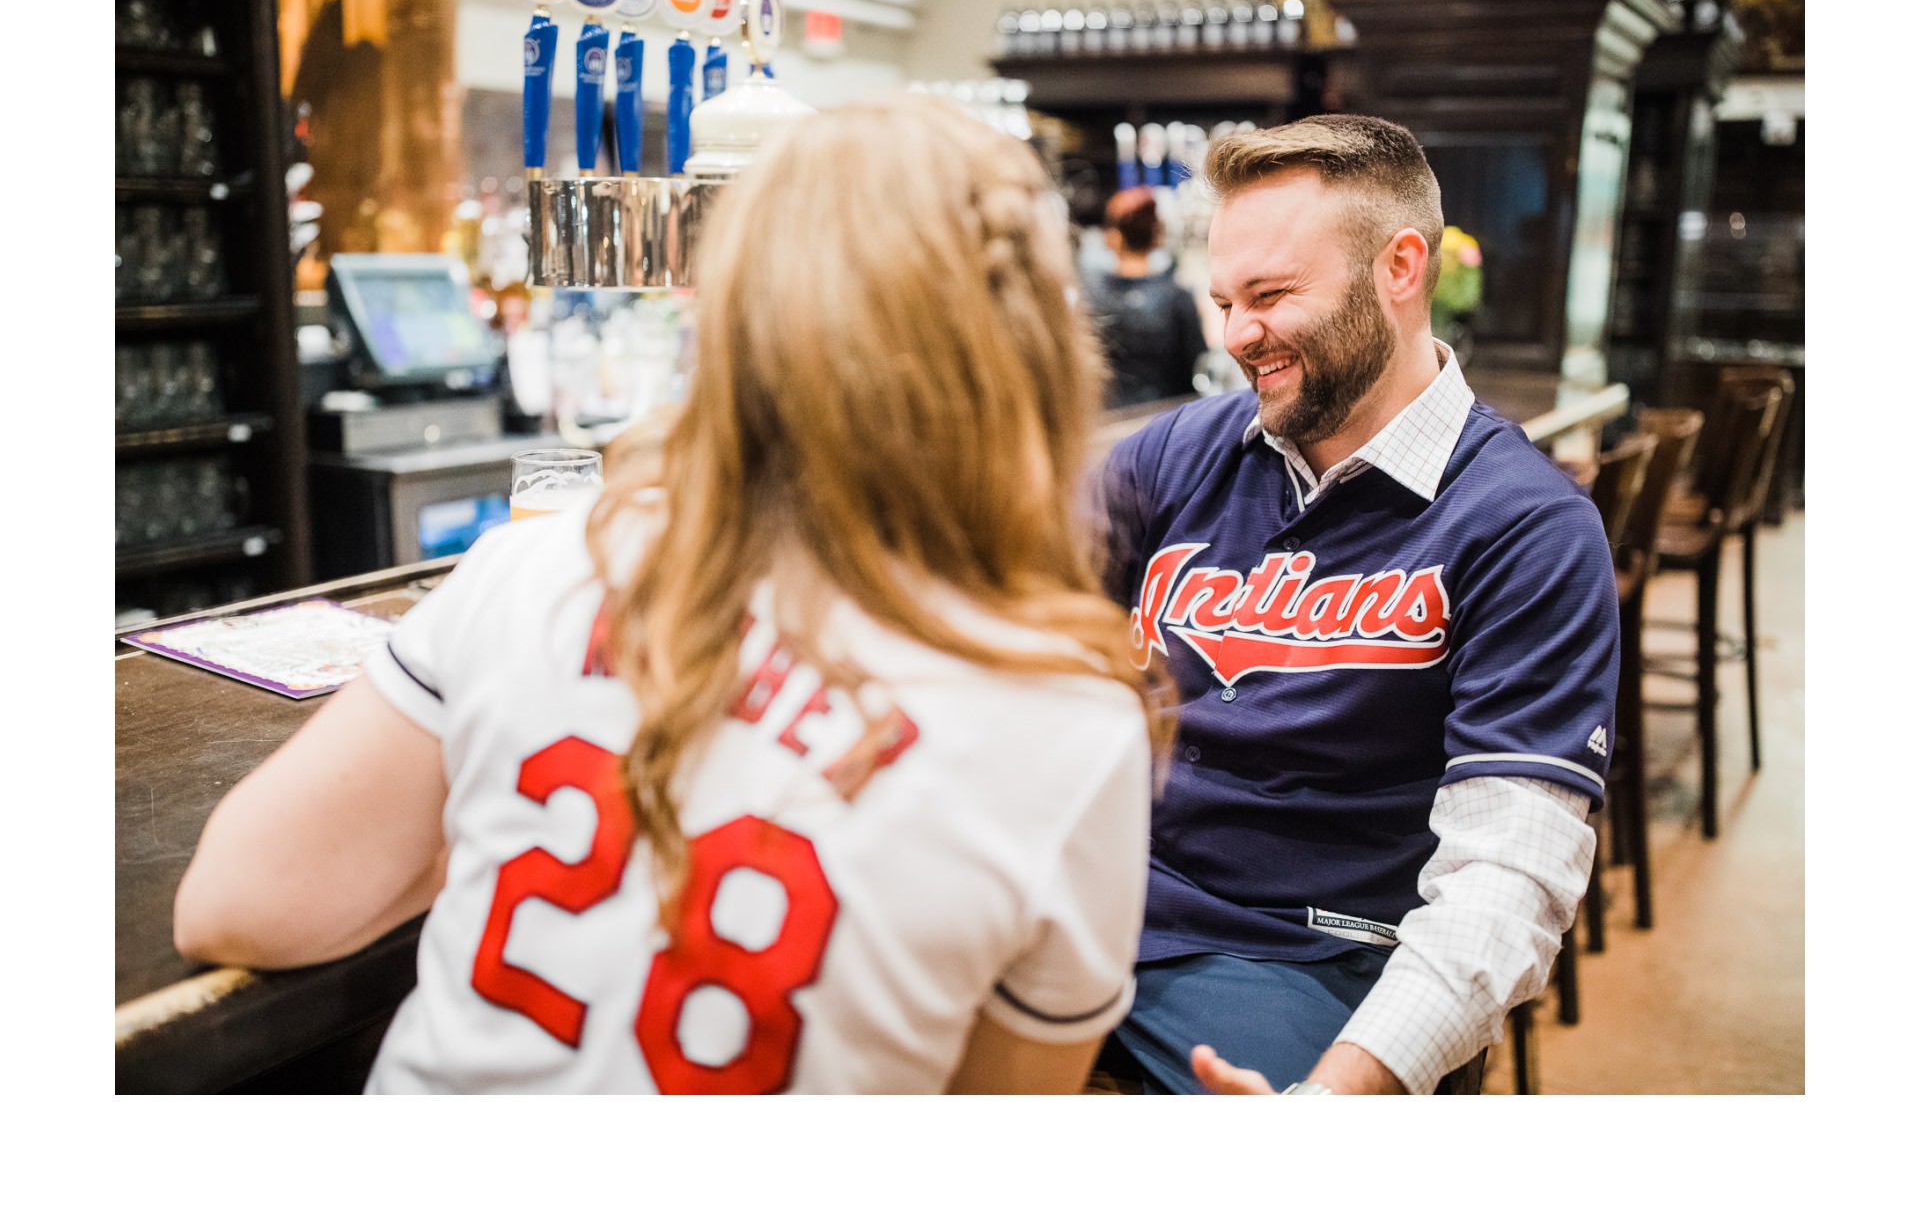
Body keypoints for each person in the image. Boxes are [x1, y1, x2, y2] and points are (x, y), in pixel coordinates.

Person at [172, 94, 1170, 1094]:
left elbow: (238, 903)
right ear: (1039, 348)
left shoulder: (550, 561)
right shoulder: (1072, 725)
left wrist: (466, 833)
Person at [1096, 114, 1617, 1095]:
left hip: (1314, 959)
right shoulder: (1176, 457)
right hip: (1091, 903)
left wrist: (1336, 1100)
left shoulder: (1525, 527)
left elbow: (1512, 870)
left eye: (1272, 296)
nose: (1238, 336)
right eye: (1224, 301)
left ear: (1401, 267)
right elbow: (1007, 628)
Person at [1080, 187, 1209, 410]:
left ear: (1112, 237)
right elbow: (1197, 363)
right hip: (1169, 420)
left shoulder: (1091, 298)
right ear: (1156, 235)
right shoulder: (1177, 297)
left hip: (1109, 420)